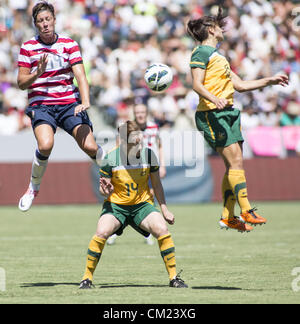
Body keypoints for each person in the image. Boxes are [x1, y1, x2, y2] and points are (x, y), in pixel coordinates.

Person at [187, 7, 289, 232]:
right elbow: (196, 84)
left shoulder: (218, 57)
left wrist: (268, 81)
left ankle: (227, 216)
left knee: (232, 166)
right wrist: (215, 99)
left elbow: (240, 85)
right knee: (236, 164)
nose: (223, 28)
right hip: (212, 113)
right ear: (211, 30)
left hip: (228, 113)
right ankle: (245, 210)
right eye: (218, 25)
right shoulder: (200, 52)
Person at [79, 120, 187, 289]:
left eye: (140, 140)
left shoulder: (149, 155)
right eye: (135, 142)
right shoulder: (110, 158)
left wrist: (164, 209)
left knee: (162, 229)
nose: (139, 145)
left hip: (142, 206)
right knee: (101, 232)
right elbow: (103, 190)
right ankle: (86, 278)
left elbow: (157, 185)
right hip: (116, 207)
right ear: (123, 141)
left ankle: (174, 278)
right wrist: (105, 190)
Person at [17, 1, 103, 211]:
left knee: (91, 146)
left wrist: (85, 101)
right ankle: (33, 187)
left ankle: (112, 172)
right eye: (40, 21)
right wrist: (37, 73)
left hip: (68, 104)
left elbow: (80, 76)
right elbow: (21, 83)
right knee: (46, 145)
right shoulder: (28, 47)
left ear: (54, 20)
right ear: (35, 25)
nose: (45, 24)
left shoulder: (69, 44)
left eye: (48, 19)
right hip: (42, 105)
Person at [107, 103, 166, 245]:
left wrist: (162, 164)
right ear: (134, 113)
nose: (140, 115)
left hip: (147, 166)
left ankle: (146, 232)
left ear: (147, 113)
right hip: (130, 168)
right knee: (125, 198)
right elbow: (117, 146)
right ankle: (114, 229)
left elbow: (159, 145)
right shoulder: (128, 129)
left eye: (142, 112)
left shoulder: (153, 127)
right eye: (137, 112)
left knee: (148, 196)